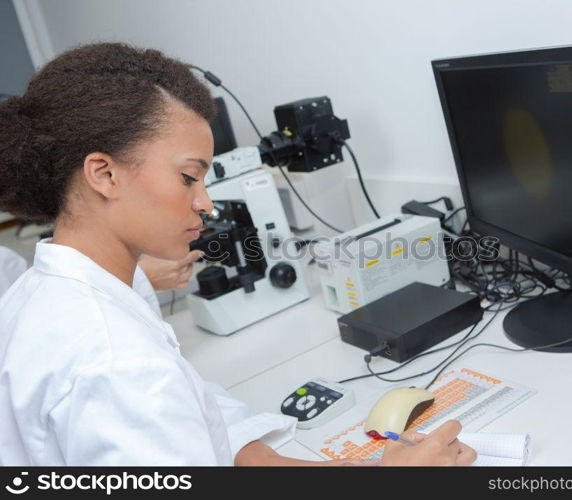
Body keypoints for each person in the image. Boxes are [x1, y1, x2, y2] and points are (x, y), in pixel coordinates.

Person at [0, 42, 476, 466]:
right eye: (189, 176)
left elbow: (196, 410)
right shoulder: (113, 361)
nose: (205, 202)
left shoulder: (44, 293)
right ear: (104, 174)